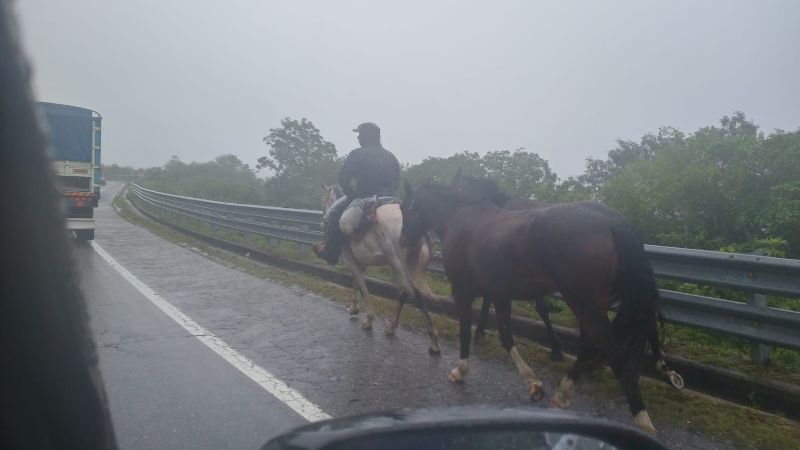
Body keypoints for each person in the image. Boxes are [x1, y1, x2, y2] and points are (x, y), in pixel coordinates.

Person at [313, 122, 400, 265]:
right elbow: (396, 180)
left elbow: (343, 178)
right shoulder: (391, 156)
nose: (358, 138)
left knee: (332, 216)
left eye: (360, 135)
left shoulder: (357, 154)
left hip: (364, 196)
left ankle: (331, 254)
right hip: (390, 198)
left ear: (367, 136)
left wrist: (353, 195)